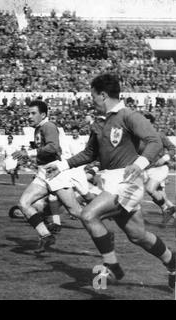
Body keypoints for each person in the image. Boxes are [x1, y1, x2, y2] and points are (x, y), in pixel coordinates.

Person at [45, 74, 175, 289]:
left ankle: (112, 264)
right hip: (110, 182)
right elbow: (89, 153)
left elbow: (154, 142)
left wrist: (140, 164)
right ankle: (173, 263)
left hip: (128, 181)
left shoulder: (129, 116)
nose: (91, 100)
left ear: (102, 95)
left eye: (93, 95)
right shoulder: (99, 123)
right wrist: (61, 165)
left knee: (88, 214)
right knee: (138, 236)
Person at [12, 100, 84, 253]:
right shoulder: (38, 128)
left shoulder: (48, 126)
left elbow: (53, 147)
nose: (29, 116)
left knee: (75, 211)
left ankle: (102, 230)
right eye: (28, 113)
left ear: (43, 114)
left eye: (33, 113)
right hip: (44, 173)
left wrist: (29, 153)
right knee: (24, 203)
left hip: (55, 173)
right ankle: (46, 236)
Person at [141, 114, 176, 225]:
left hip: (160, 168)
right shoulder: (138, 138)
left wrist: (165, 157)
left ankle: (167, 209)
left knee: (150, 189)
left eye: (146, 122)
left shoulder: (159, 135)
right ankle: (172, 213)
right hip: (147, 170)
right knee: (161, 195)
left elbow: (172, 148)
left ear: (152, 123)